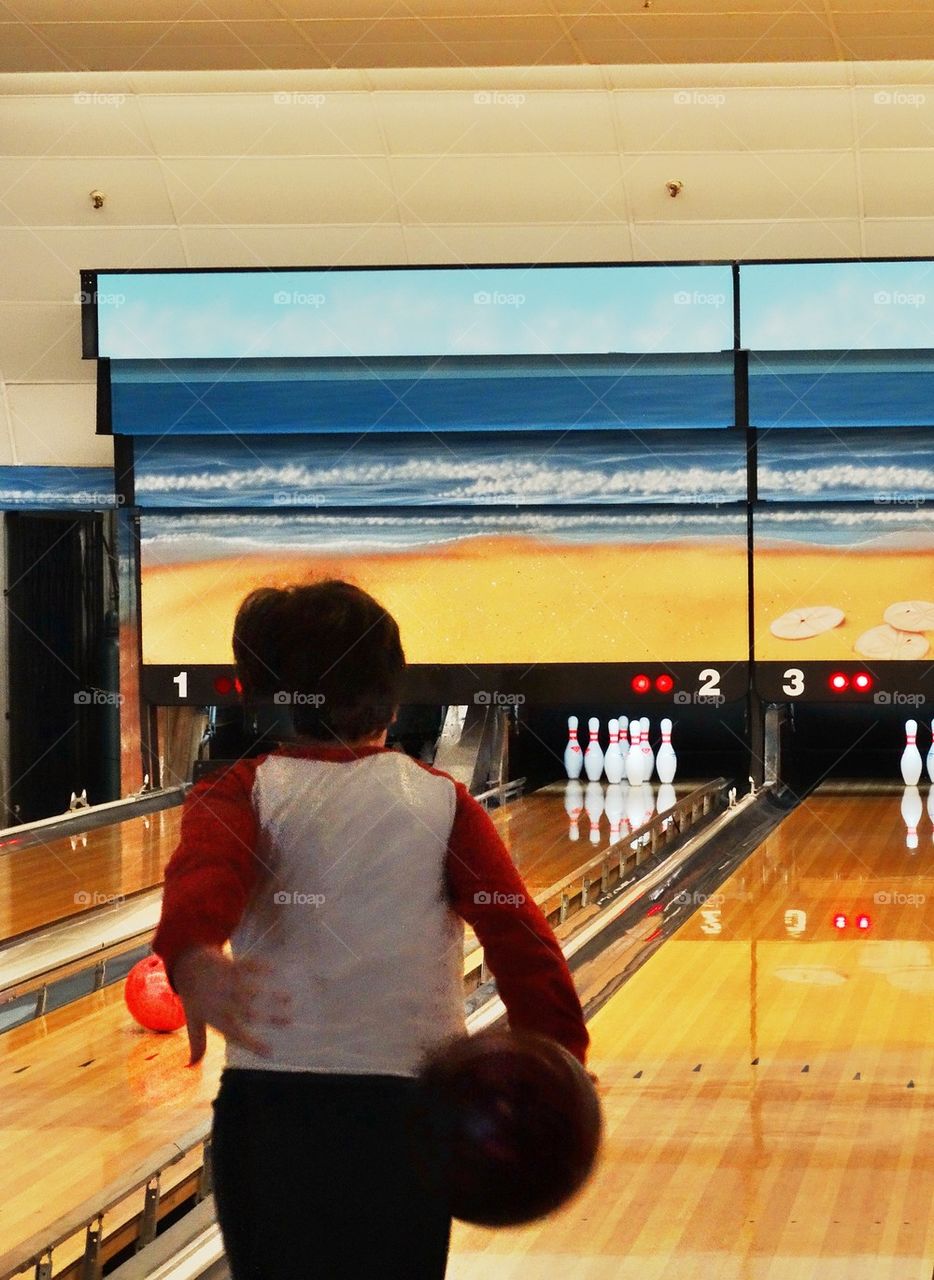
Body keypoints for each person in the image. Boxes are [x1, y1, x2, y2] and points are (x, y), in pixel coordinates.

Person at [153, 580, 589, 1279]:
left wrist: (193, 956)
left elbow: (206, 873)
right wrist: (561, 1057)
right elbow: (521, 939)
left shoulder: (239, 790)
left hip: (272, 1113)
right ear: (392, 697)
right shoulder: (440, 801)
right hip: (410, 1117)